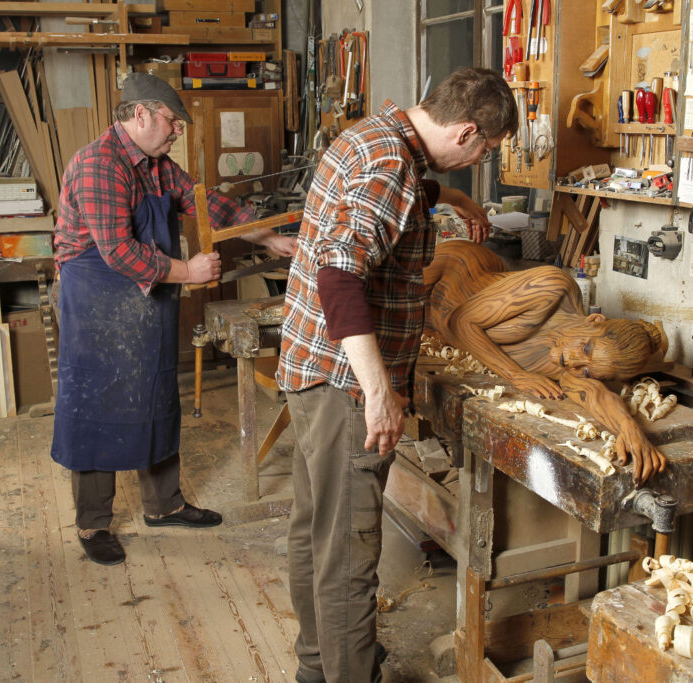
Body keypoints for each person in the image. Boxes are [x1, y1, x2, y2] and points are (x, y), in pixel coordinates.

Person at [277, 67, 517, 683]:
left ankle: (317, 668)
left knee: (317, 538)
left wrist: (449, 199)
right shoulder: (390, 168)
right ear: (465, 132)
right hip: (344, 388)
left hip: (310, 373)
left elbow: (384, 202)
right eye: (484, 151)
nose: (478, 161)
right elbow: (338, 275)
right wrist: (380, 394)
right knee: (351, 556)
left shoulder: (376, 138)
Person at [50, 73, 296, 566]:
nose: (176, 131)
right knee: (98, 408)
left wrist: (269, 238)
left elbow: (210, 206)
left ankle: (165, 506)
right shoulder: (99, 164)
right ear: (139, 115)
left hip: (148, 296)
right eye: (171, 121)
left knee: (158, 394)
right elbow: (118, 251)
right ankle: (93, 522)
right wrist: (188, 271)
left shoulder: (158, 165)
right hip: (99, 298)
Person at [423, 239, 668, 484]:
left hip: (431, 324)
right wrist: (516, 375)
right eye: (586, 348)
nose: (572, 361)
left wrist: (630, 429)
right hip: (453, 269)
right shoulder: (553, 288)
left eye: (586, 370)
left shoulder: (566, 367)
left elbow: (596, 395)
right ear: (594, 320)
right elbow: (461, 321)